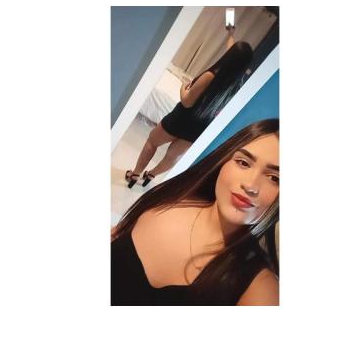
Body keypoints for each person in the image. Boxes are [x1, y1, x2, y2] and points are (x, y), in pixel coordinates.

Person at [112, 119, 279, 306]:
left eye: (274, 178)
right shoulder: (168, 199)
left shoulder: (259, 288)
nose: (250, 185)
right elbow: (117, 235)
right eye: (243, 162)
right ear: (224, 161)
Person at [125, 29, 253, 188]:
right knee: (171, 158)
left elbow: (187, 102)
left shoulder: (210, 76)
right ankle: (151, 175)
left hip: (181, 119)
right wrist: (230, 34)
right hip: (199, 128)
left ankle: (135, 175)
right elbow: (233, 51)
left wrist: (183, 87)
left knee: (152, 142)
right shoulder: (237, 86)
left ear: (229, 57)